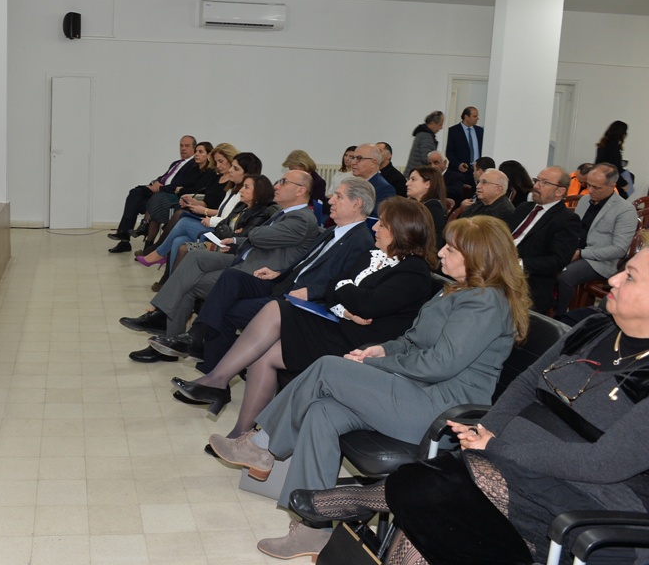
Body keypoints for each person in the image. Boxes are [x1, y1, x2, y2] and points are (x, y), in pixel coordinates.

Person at [295, 232, 649, 565]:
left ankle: (360, 499)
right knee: (434, 515)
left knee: (438, 488)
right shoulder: (593, 329)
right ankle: (361, 499)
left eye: (630, 277)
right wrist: (487, 429)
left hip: (586, 498)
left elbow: (602, 464)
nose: (613, 279)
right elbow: (527, 383)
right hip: (510, 464)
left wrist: (497, 446)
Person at [207, 216, 531, 560]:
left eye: (451, 249)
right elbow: (413, 340)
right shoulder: (459, 290)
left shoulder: (485, 301)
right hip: (414, 390)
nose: (442, 253)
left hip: (440, 408)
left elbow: (439, 365)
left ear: (477, 256)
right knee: (322, 412)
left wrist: (375, 365)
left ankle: (262, 447)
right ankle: (312, 529)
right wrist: (382, 350)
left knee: (328, 368)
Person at [172, 197, 437, 436]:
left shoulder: (414, 272)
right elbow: (333, 288)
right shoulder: (373, 255)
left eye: (383, 224)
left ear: (403, 231)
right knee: (265, 352)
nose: (375, 227)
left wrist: (344, 289)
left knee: (277, 308)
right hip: (338, 324)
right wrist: (345, 304)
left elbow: (365, 305)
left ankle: (217, 381)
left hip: (359, 344)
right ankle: (241, 432)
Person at [148, 178, 377, 372]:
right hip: (281, 282)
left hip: (301, 301)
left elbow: (344, 283)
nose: (330, 200)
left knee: (225, 308)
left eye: (338, 196)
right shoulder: (333, 231)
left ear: (356, 204)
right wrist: (279, 273)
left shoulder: (360, 240)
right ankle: (197, 339)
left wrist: (311, 291)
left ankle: (209, 367)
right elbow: (305, 263)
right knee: (230, 278)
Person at [120, 170, 320, 360]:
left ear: (300, 190)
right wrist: (236, 239)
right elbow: (259, 237)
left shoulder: (301, 218)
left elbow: (259, 235)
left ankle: (168, 339)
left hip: (256, 273)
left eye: (283, 182)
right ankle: (162, 316)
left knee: (189, 283)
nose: (277, 185)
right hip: (245, 258)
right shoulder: (283, 213)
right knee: (195, 256)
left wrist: (248, 233)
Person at [136, 151, 260, 270]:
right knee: (179, 241)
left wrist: (208, 218)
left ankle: (158, 254)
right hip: (217, 227)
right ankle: (170, 279)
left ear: (247, 174)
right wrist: (197, 206)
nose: (230, 170)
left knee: (184, 221)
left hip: (223, 237)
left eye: (235, 168)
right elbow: (223, 213)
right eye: (232, 166)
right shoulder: (231, 190)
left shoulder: (243, 196)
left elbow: (232, 222)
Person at [555, 163, 639, 315]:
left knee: (565, 276)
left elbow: (619, 249)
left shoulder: (625, 210)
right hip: (575, 251)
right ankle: (543, 308)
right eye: (588, 185)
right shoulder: (584, 200)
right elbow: (573, 231)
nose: (590, 190)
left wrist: (581, 253)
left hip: (600, 261)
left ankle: (560, 317)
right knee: (545, 264)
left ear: (612, 186)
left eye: (596, 188)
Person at [507, 165, 581, 314]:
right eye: (537, 180)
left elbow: (557, 261)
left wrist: (518, 264)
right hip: (500, 266)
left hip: (529, 279)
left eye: (544, 183)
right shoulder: (524, 208)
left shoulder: (567, 220)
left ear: (560, 191)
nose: (536, 186)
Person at [108, 135, 197, 253]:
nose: (183, 148)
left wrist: (161, 188)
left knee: (151, 201)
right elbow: (164, 177)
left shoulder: (193, 165)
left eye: (187, 146)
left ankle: (140, 234)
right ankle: (124, 237)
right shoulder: (176, 163)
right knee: (135, 194)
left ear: (194, 148)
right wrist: (155, 182)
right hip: (159, 191)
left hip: (168, 197)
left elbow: (182, 185)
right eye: (181, 146)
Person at [133, 141, 216, 249]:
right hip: (181, 198)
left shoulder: (210, 172)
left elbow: (198, 189)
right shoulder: (193, 168)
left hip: (192, 201)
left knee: (158, 199)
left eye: (200, 152)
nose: (196, 154)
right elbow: (183, 184)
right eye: (196, 151)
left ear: (209, 155)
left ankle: (146, 234)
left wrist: (181, 190)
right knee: (156, 209)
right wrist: (180, 189)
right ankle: (148, 246)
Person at [405, 165, 448, 249]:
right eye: (409, 179)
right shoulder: (415, 205)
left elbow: (434, 242)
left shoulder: (433, 207)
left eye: (413, 179)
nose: (407, 183)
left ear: (427, 184)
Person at [349, 143, 395, 215]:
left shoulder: (384, 189)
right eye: (353, 158)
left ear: (373, 163)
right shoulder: (351, 183)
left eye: (359, 158)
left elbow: (376, 218)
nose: (353, 162)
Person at [445, 106, 483, 188]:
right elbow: (449, 151)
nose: (477, 118)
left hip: (476, 170)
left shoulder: (480, 131)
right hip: (460, 171)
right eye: (474, 116)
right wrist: (457, 164)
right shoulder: (453, 131)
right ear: (466, 117)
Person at [595, 120, 628, 195]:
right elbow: (615, 168)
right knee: (629, 184)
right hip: (609, 177)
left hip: (601, 174)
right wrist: (624, 184)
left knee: (629, 176)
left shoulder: (603, 144)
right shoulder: (613, 146)